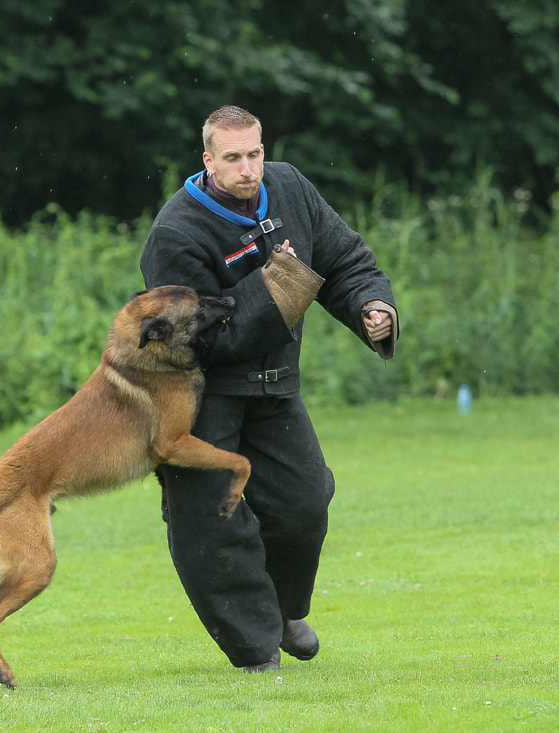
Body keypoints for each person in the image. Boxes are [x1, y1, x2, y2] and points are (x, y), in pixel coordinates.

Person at [140, 105, 397, 672]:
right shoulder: (177, 232)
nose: (248, 168)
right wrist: (276, 289)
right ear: (207, 160)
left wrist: (370, 306)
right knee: (211, 522)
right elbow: (191, 341)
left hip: (276, 387)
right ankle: (256, 650)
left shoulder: (289, 187)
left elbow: (344, 259)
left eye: (254, 153)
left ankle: (282, 612)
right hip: (201, 398)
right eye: (232, 158)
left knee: (305, 503)